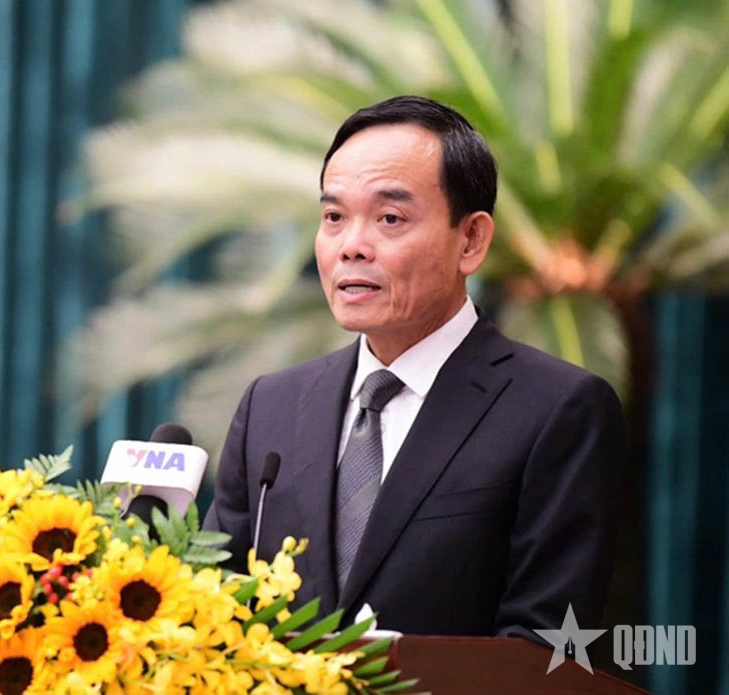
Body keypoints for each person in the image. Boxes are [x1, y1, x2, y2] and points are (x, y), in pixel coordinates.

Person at [203, 95, 624, 641]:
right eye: (334, 217)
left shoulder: (557, 410)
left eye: (390, 218)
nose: (352, 247)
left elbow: (545, 645)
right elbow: (212, 612)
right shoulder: (271, 407)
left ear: (471, 240)